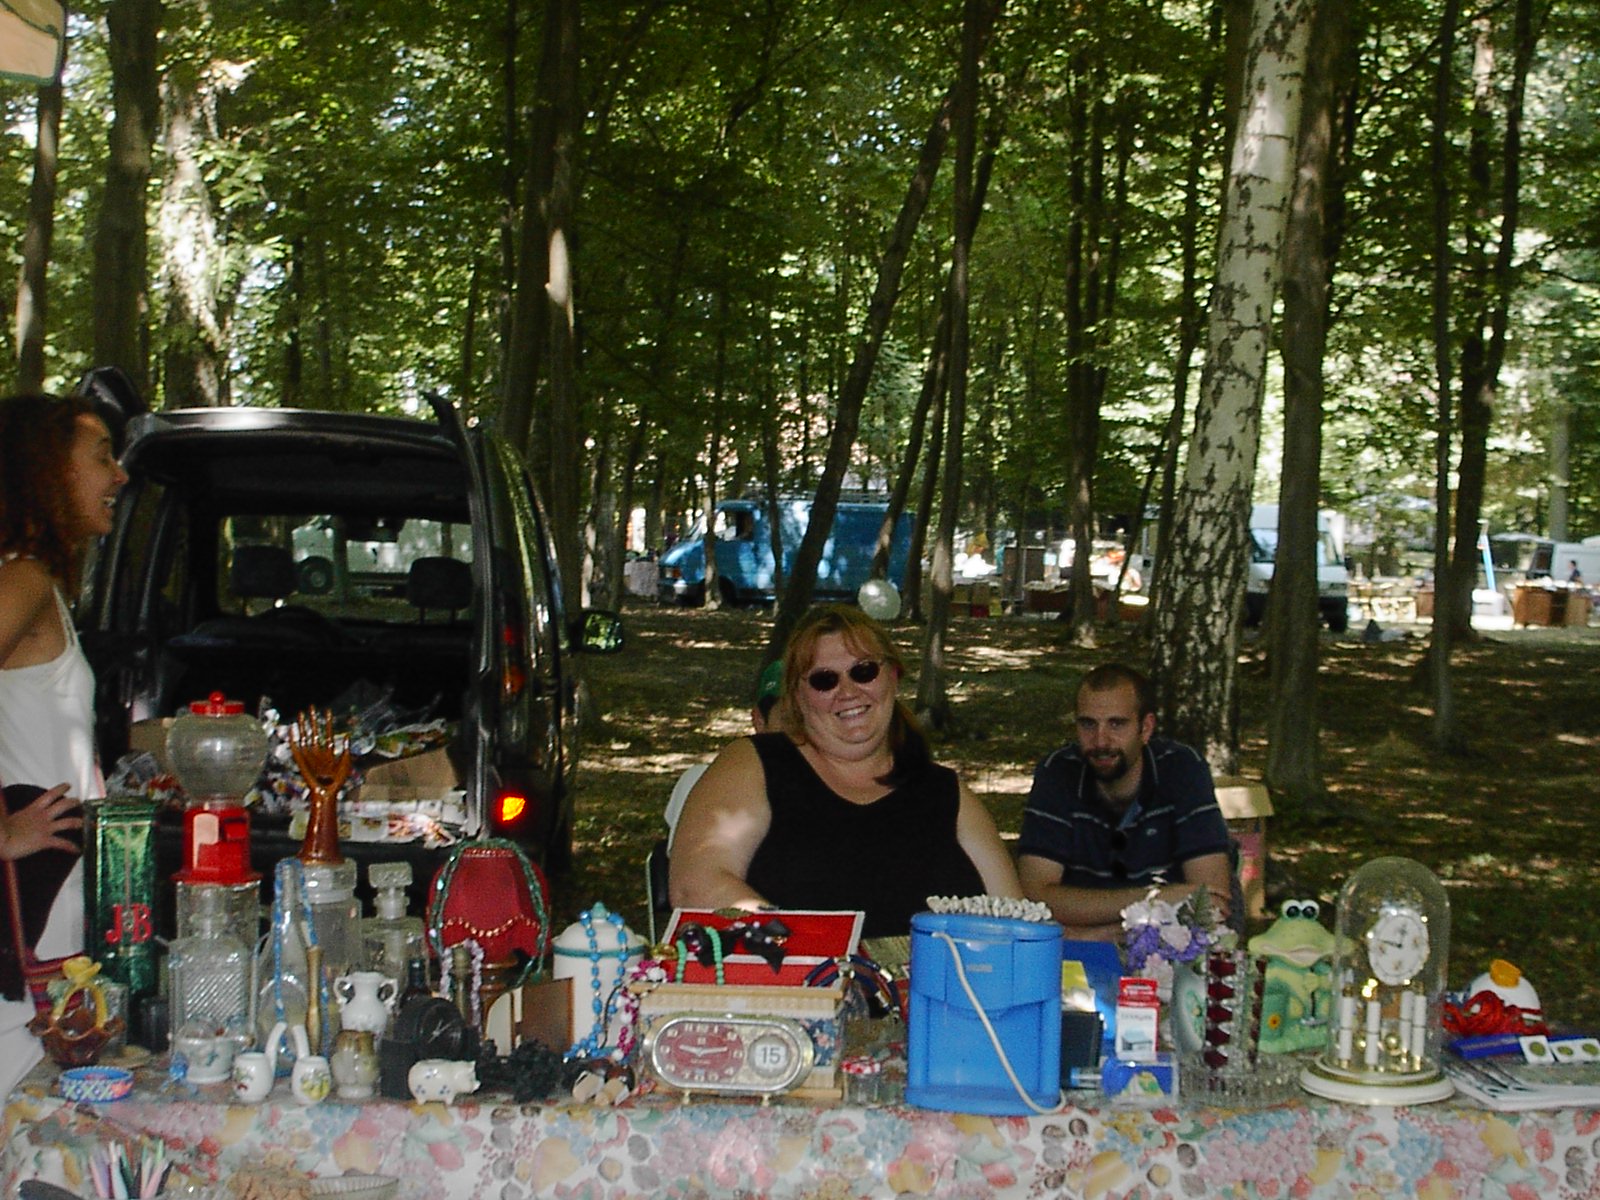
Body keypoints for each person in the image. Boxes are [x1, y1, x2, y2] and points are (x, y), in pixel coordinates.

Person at [669, 604, 1022, 938]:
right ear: (798, 697)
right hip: (794, 978)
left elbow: (1016, 921)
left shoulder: (948, 793)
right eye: (824, 680)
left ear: (893, 676)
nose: (848, 692)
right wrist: (813, 951)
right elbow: (695, 886)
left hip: (945, 979)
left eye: (864, 671)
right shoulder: (755, 764)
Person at [0, 392, 126, 1097]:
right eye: (103, 457)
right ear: (49, 472)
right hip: (28, 891)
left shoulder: (40, 585)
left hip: (51, 888)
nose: (120, 475)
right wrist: (2, 833)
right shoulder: (23, 579)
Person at [1016, 663, 1234, 942]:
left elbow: (1211, 905)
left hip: (1169, 956)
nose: (1100, 741)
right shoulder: (1058, 772)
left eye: (1117, 724)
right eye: (1088, 724)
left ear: (1146, 728)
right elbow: (1034, 900)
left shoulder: (1182, 769)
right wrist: (1154, 900)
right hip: (1080, 957)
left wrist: (1089, 931)